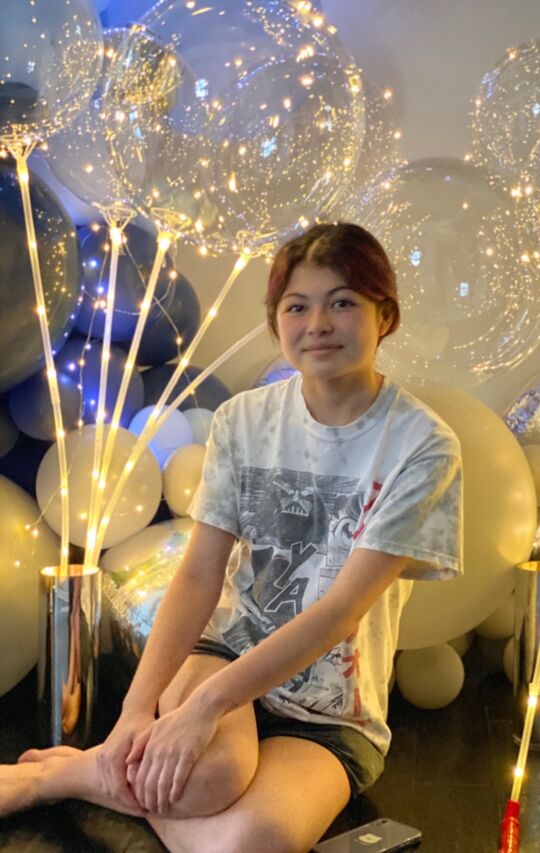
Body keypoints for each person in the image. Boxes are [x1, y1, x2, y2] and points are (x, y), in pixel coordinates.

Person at [0, 223, 463, 853]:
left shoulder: (422, 445)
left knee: (250, 843)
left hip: (331, 710)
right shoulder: (243, 420)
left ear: (385, 315)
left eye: (342, 302)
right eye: (296, 307)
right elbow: (198, 575)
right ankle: (75, 775)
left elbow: (341, 611)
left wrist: (202, 709)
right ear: (276, 321)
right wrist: (136, 714)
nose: (317, 323)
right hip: (222, 652)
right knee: (202, 781)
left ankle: (71, 775)